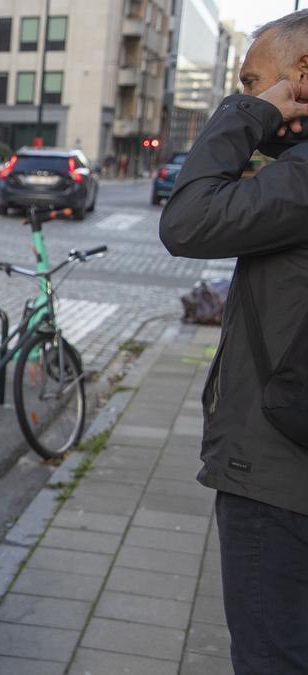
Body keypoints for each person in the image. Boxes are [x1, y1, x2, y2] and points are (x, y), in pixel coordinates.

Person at [159, 10, 308, 674]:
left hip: (278, 470)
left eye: (253, 77)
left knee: (271, 657)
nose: (246, 91)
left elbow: (188, 220)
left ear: (302, 73)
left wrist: (247, 113)